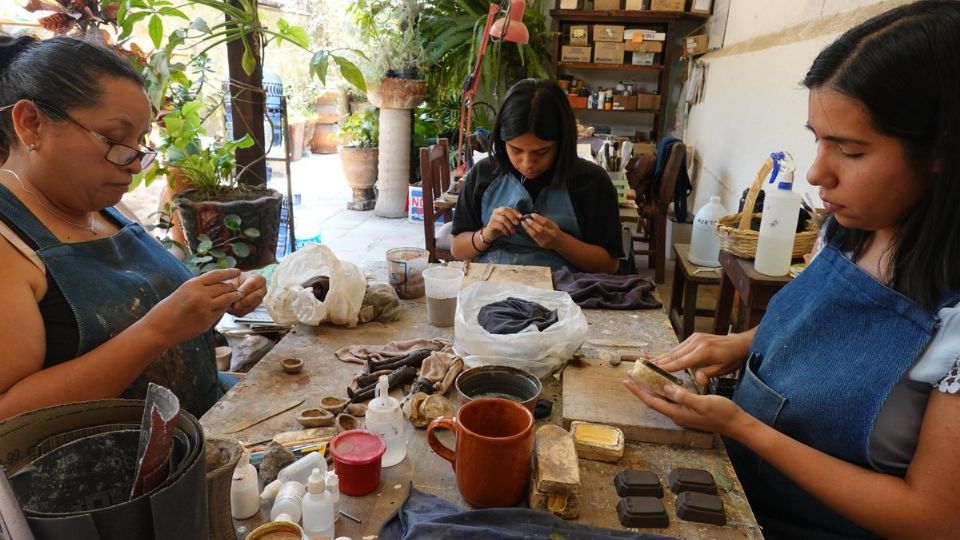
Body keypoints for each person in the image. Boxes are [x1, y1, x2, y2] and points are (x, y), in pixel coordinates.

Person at [624, 2, 960, 538]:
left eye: (848, 150)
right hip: (737, 490)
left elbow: (936, 518)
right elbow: (826, 327)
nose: (817, 172)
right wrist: (739, 344)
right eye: (818, 139)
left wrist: (743, 426)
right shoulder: (847, 232)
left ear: (942, 150)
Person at [0, 36, 267, 420]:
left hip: (202, 429)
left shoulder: (103, 205)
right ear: (31, 124)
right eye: (114, 138)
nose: (134, 163)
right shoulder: (9, 243)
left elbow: (139, 300)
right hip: (114, 472)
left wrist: (214, 298)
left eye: (140, 141)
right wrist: (156, 332)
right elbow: (9, 418)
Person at [450, 79, 623, 274]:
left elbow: (610, 265)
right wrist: (487, 234)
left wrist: (560, 242)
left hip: (566, 294)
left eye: (541, 152)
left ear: (562, 141)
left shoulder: (592, 182)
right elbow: (457, 249)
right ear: (501, 139)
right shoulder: (483, 174)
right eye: (515, 150)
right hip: (493, 289)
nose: (527, 163)